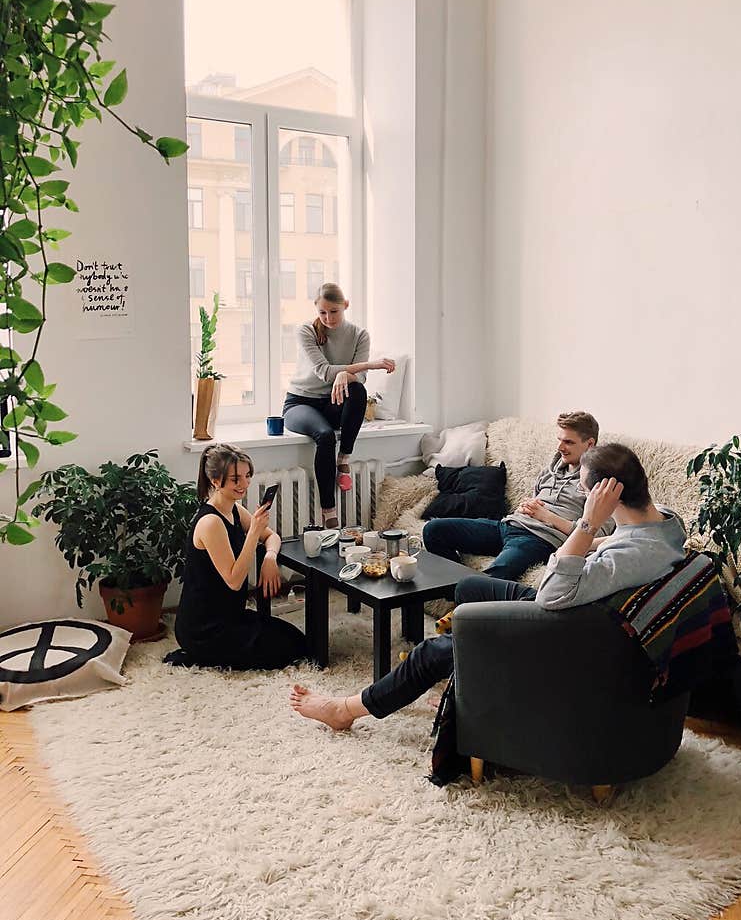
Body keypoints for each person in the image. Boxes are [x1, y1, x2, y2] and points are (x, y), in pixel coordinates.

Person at [289, 441, 685, 731]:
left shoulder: (628, 555)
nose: (581, 492)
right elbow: (617, 546)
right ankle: (468, 671)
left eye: (584, 487)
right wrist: (592, 536)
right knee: (470, 589)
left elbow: (551, 592)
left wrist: (586, 523)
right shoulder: (664, 522)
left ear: (605, 493)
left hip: (563, 628)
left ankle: (345, 710)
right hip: (578, 600)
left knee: (431, 651)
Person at [166, 444, 309, 670]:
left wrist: (270, 558)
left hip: (231, 615)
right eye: (236, 479)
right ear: (215, 480)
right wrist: (253, 533)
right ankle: (201, 653)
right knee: (285, 652)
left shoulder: (233, 509)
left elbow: (272, 536)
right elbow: (233, 581)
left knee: (298, 641)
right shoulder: (210, 522)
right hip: (205, 627)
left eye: (247, 476)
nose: (244, 484)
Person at [422, 411, 607, 585]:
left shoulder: (600, 483)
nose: (560, 447)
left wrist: (547, 517)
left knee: (493, 579)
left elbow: (595, 535)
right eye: (559, 440)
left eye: (568, 442)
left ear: (590, 444)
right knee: (434, 530)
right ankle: (455, 591)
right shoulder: (552, 469)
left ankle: (464, 606)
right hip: (508, 525)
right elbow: (536, 500)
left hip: (538, 539)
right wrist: (525, 507)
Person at [283, 283, 395, 529]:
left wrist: (346, 375)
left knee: (357, 389)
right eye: (322, 312)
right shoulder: (307, 331)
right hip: (301, 403)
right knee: (324, 437)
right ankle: (328, 511)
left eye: (333, 311)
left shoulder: (359, 335)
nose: (328, 318)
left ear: (345, 306)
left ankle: (344, 457)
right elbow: (324, 372)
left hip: (334, 402)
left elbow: (360, 380)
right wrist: (371, 364)